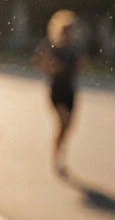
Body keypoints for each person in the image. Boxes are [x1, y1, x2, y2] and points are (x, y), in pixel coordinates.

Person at [32, 10, 85, 176]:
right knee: (63, 121)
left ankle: (60, 153)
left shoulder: (75, 49)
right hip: (56, 89)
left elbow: (81, 68)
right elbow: (37, 62)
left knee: (68, 126)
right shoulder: (51, 47)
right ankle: (57, 158)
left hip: (70, 90)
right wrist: (51, 66)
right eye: (65, 30)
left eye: (70, 31)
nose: (68, 34)